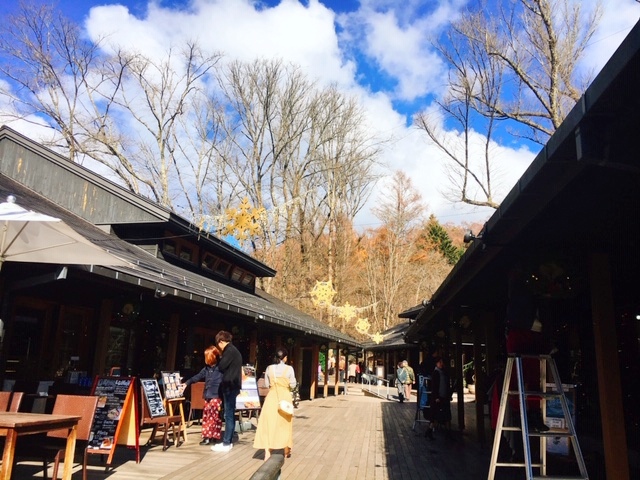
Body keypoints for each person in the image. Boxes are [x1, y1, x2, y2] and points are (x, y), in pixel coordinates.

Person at [253, 348, 297, 461]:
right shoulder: (289, 369)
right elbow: (293, 384)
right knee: (285, 423)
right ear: (285, 358)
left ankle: (267, 451)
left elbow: (267, 384)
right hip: (285, 397)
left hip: (272, 397)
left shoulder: (269, 368)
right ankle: (286, 449)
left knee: (269, 423)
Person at [181, 345, 223, 445]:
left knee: (214, 416)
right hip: (208, 395)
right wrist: (187, 383)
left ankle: (212, 436)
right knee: (207, 416)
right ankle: (207, 436)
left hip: (216, 395)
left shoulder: (221, 367)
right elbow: (198, 376)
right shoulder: (207, 368)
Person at [211, 330, 243, 452]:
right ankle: (227, 441)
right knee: (229, 414)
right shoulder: (234, 351)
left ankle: (226, 442)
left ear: (221, 342)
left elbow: (221, 366)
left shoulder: (229, 351)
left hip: (230, 386)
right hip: (233, 386)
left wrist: (219, 359)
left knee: (228, 415)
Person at [426, 356, 451, 439]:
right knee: (435, 416)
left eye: (442, 362)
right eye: (439, 362)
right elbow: (434, 386)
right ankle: (429, 431)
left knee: (446, 415)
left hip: (444, 396)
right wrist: (436, 396)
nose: (441, 364)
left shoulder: (443, 372)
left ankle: (448, 432)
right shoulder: (436, 373)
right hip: (438, 397)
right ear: (436, 363)